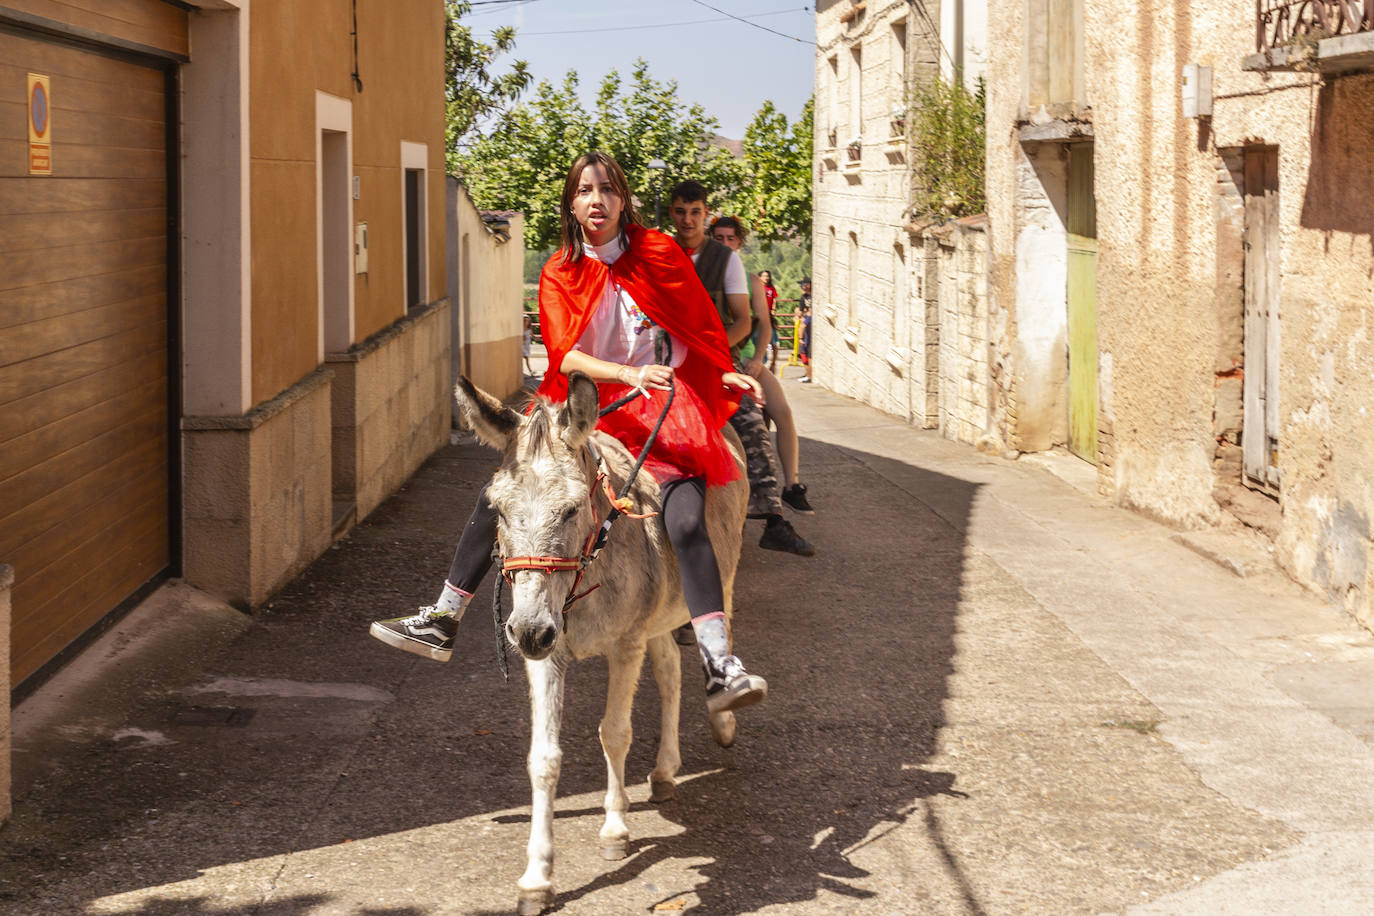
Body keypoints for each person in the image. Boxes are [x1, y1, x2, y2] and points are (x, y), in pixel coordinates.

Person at [370, 151, 768, 714]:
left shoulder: (658, 250)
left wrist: (721, 366)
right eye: (584, 190)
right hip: (587, 412)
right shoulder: (561, 270)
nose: (596, 199)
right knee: (501, 496)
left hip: (661, 410)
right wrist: (628, 372)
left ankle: (719, 661)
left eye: (606, 188)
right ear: (572, 203)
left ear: (622, 198)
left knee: (685, 519)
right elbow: (567, 354)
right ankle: (443, 616)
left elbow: (697, 320)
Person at [670, 183, 817, 544]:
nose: (688, 220)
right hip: (664, 363)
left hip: (719, 363)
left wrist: (710, 353)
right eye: (680, 212)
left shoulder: (727, 260)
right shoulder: (659, 253)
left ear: (705, 212)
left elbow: (744, 321)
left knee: (752, 421)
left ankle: (773, 517)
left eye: (695, 212)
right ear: (671, 214)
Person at [709, 217, 815, 514]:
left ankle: (792, 485)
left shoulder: (751, 280)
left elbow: (765, 325)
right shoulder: (703, 276)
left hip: (745, 357)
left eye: (730, 238)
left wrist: (757, 360)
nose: (725, 244)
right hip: (716, 358)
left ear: (739, 243)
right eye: (719, 238)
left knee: (781, 412)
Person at [759, 270, 780, 372]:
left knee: (774, 340)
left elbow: (774, 299)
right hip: (759, 316)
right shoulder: (757, 288)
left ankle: (773, 363)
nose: (766, 278)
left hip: (769, 316)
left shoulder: (771, 288)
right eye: (764, 276)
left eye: (767, 276)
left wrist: (773, 309)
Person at [798, 277, 813, 383]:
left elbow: (809, 313)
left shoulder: (814, 295)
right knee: (804, 351)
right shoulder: (804, 297)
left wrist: (800, 337)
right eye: (802, 284)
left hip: (810, 323)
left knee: (808, 352)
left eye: (804, 284)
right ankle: (808, 374)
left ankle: (810, 376)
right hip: (807, 322)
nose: (802, 286)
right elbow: (801, 311)